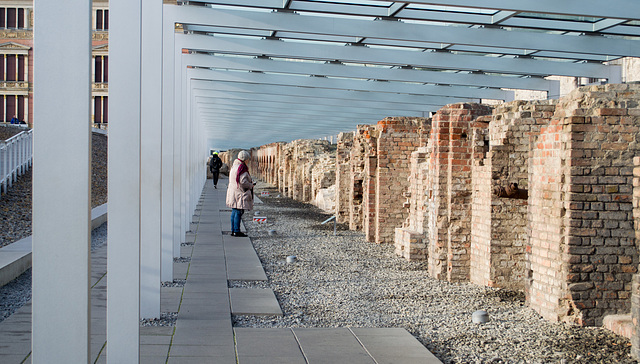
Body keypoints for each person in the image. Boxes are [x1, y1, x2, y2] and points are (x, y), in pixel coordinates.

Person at [226, 150, 253, 237]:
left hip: (233, 191)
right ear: (245, 159)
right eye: (248, 159)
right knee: (238, 212)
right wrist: (250, 185)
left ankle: (233, 230)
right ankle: (236, 231)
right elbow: (243, 182)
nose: (248, 161)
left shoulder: (234, 166)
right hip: (239, 193)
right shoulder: (242, 168)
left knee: (234, 211)